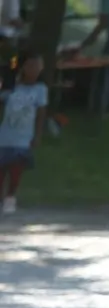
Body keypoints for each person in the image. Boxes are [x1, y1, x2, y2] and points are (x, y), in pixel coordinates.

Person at [0, 51, 46, 215]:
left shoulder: (40, 89)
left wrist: (37, 135)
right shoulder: (11, 87)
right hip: (5, 134)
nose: (34, 69)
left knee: (16, 168)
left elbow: (41, 113)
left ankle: (10, 197)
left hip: (23, 136)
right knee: (1, 168)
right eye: (31, 65)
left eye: (38, 66)